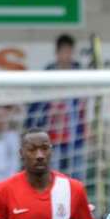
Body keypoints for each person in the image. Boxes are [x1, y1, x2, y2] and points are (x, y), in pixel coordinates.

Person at [25, 34, 87, 180]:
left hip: (74, 136)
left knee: (77, 176)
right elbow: (37, 106)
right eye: (63, 51)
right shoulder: (48, 74)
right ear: (57, 52)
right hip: (53, 136)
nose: (67, 55)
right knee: (54, 176)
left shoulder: (81, 74)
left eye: (69, 51)